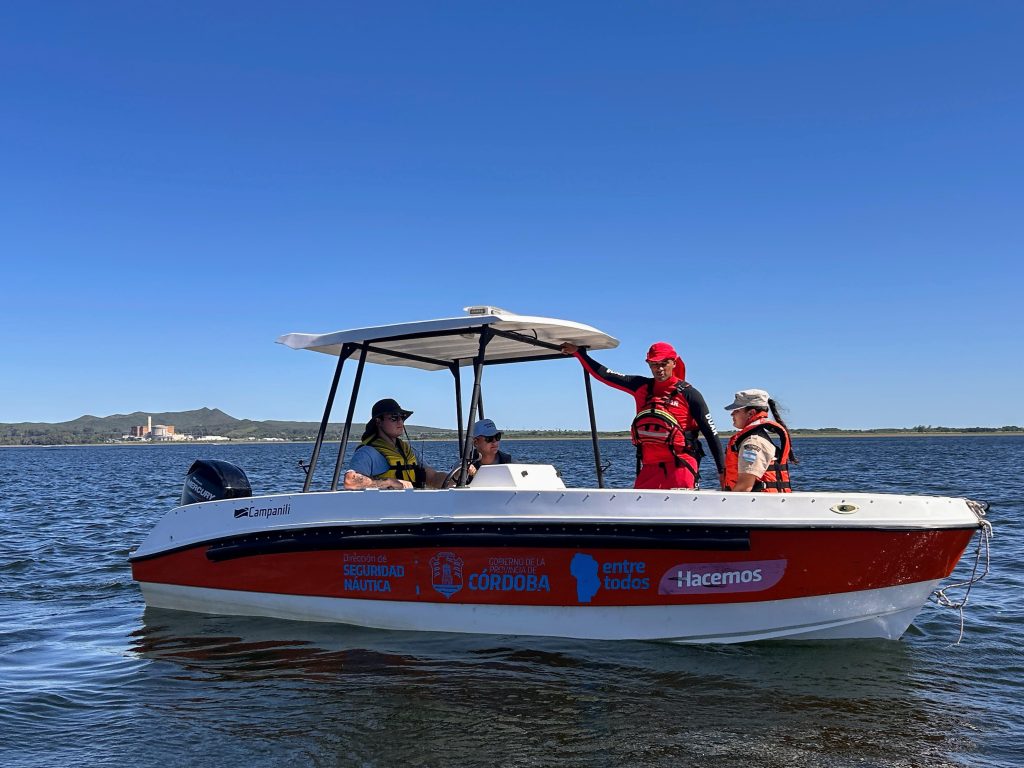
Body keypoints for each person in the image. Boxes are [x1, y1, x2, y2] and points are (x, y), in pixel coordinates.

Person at [560, 341, 725, 490]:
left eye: (664, 363)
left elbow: (711, 434)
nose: (659, 369)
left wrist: (722, 471)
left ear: (674, 363)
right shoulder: (641, 386)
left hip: (681, 466)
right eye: (654, 364)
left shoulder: (690, 394)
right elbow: (605, 374)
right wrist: (579, 353)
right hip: (649, 467)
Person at [343, 398, 450, 489]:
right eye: (394, 417)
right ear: (378, 422)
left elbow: (433, 478)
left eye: (402, 417)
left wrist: (455, 477)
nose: (400, 422)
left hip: (414, 505)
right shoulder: (367, 453)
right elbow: (350, 481)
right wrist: (388, 482)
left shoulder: (411, 452)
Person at [722, 389, 797, 493]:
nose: (732, 414)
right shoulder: (755, 438)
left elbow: (744, 487)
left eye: (737, 410)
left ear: (751, 413)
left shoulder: (753, 442)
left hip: (759, 502)